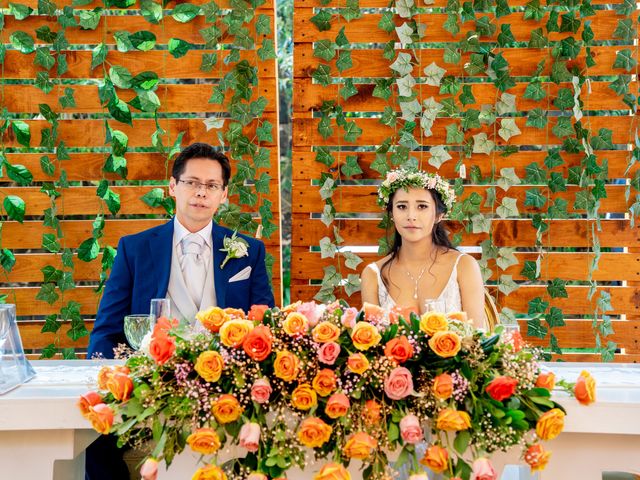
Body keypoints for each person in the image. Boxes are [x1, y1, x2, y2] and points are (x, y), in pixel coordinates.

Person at [85, 142, 275, 479]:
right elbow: (106, 329)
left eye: (211, 186)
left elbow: (265, 326)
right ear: (173, 187)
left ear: (223, 194)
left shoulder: (250, 252)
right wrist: (110, 383)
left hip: (226, 388)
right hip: (151, 387)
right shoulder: (135, 248)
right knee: (97, 443)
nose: (201, 193)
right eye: (192, 182)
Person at [361, 168, 487, 329]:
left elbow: (477, 340)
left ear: (438, 215)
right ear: (391, 213)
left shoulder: (464, 266)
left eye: (422, 206)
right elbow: (371, 346)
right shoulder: (373, 275)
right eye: (401, 207)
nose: (411, 216)